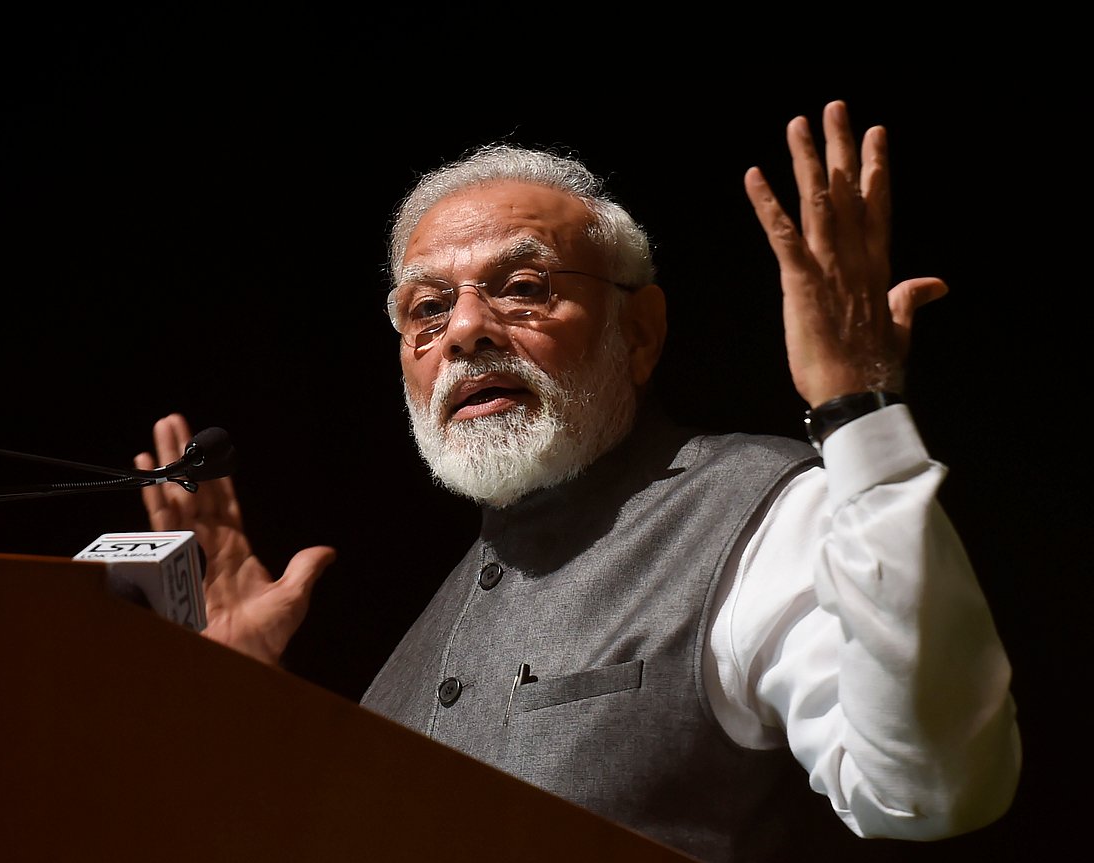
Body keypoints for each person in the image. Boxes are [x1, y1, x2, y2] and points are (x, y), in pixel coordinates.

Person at [134, 100, 1021, 862]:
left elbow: (932, 787)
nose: (466, 331)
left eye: (522, 287)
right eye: (427, 308)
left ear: (637, 334)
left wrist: (859, 414)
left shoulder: (756, 508)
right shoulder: (407, 657)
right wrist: (238, 710)